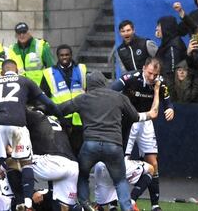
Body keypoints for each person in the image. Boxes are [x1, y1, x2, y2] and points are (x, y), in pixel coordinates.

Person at [59, 71, 159, 211]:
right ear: (104, 83)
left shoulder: (83, 98)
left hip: (90, 145)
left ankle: (86, 205)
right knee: (120, 181)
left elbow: (60, 109)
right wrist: (149, 115)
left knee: (82, 175)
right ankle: (126, 208)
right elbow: (134, 117)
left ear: (89, 85)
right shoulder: (119, 97)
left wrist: (41, 109)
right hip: (114, 145)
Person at [0, 59, 60, 211]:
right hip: (18, 123)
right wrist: (59, 114)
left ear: (1, 72)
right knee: (26, 162)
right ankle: (27, 202)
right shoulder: (25, 80)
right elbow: (48, 102)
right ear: (17, 70)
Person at [111, 58, 175, 211]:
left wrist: (170, 108)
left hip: (146, 122)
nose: (152, 77)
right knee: (121, 162)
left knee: (153, 163)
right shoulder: (130, 77)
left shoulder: (160, 82)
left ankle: (155, 204)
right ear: (144, 68)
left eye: (155, 74)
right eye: (150, 73)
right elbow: (111, 90)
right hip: (129, 120)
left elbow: (168, 100)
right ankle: (113, 203)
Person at [25, 108, 80, 211]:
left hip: (52, 163)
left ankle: (26, 200)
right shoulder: (53, 119)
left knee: (12, 162)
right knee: (65, 207)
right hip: (72, 165)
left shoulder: (31, 116)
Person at [40, 44, 86, 154]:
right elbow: (43, 97)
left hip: (79, 118)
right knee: (63, 149)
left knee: (79, 149)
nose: (64, 57)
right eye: (61, 55)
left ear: (71, 55)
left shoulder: (81, 69)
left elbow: (87, 90)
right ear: (57, 57)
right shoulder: (48, 73)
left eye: (67, 55)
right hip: (60, 117)